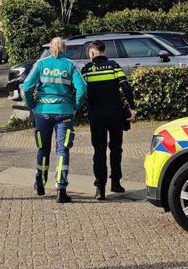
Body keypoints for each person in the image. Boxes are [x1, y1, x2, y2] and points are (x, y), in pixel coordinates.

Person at [22, 37, 87, 203]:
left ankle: (40, 183)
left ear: (50, 48)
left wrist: (32, 105)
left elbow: (27, 86)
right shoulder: (70, 65)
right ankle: (61, 189)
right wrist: (75, 106)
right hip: (64, 113)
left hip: (42, 112)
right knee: (62, 151)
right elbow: (82, 88)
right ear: (65, 48)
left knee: (43, 149)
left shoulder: (41, 64)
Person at [81, 40, 137, 200]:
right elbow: (126, 86)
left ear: (92, 53)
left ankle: (100, 189)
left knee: (99, 152)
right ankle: (116, 183)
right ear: (103, 51)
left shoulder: (87, 69)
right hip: (115, 114)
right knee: (116, 148)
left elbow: (81, 89)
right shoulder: (113, 66)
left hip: (96, 116)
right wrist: (132, 108)